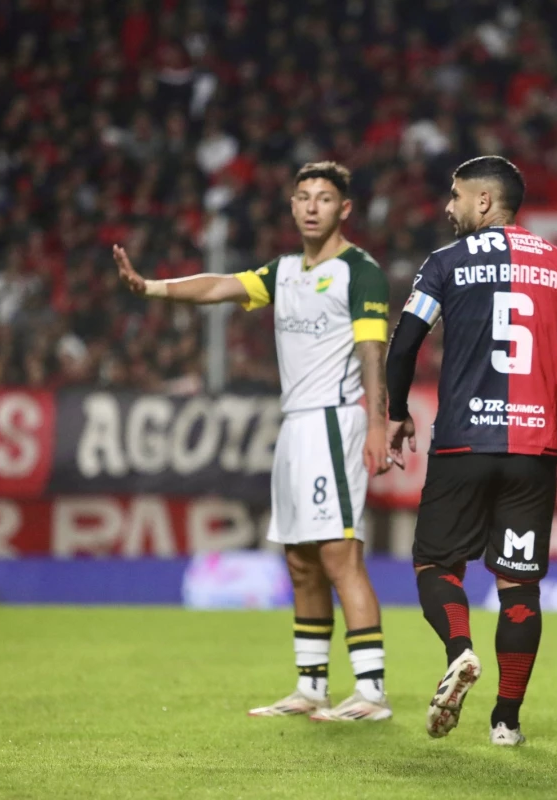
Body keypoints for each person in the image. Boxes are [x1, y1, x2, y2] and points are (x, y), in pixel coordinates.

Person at [113, 161, 394, 722]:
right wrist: (152, 287)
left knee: (340, 555)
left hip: (334, 422)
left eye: (324, 198)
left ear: (344, 209)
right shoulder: (284, 270)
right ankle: (311, 686)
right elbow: (219, 286)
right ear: (291, 206)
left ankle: (371, 691)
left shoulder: (359, 271)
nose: (311, 206)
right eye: (303, 196)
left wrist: (378, 422)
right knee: (300, 560)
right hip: (295, 427)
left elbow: (372, 352)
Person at [385, 156, 557, 746]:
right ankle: (507, 721)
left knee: (436, 564)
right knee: (519, 585)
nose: (449, 207)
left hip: (463, 443)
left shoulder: (444, 263)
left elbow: (404, 345)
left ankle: (459, 651)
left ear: (484, 201)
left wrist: (396, 411)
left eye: (456, 195)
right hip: (533, 450)